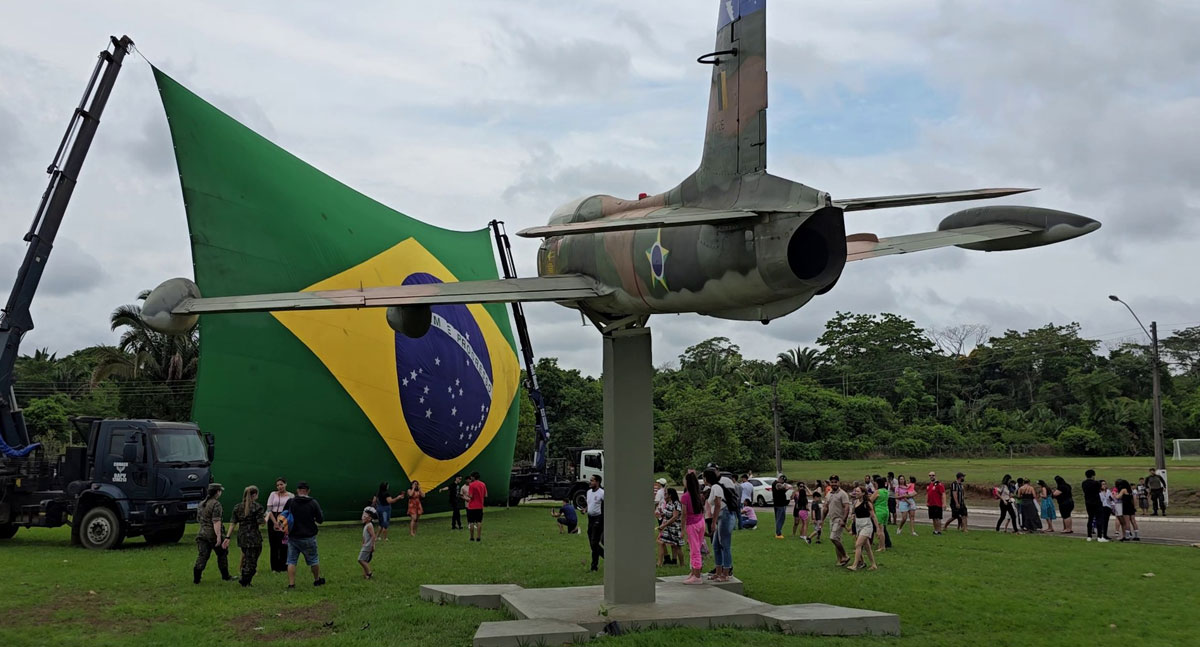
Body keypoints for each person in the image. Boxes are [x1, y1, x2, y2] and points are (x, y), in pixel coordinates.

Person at [283, 481, 325, 588]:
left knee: (291, 561)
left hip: (293, 536)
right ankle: (316, 580)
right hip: (308, 536)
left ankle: (291, 584)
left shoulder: (291, 502)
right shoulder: (313, 503)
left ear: (297, 490)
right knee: (314, 560)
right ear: (308, 491)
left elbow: (284, 515)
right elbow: (320, 520)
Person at [194, 482, 233, 584]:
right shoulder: (216, 504)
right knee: (222, 554)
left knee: (203, 555)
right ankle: (225, 576)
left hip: (202, 533)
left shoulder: (201, 503)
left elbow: (199, 519)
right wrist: (219, 536)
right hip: (212, 534)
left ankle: (196, 578)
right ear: (217, 492)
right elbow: (216, 521)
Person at [704, 467, 738, 582]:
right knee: (716, 545)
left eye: (704, 477)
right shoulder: (713, 487)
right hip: (720, 516)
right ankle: (718, 572)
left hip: (725, 515)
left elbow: (718, 504)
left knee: (725, 545)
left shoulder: (716, 487)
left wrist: (713, 522)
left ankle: (726, 573)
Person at [230, 485, 264, 587]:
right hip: (254, 537)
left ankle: (245, 576)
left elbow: (233, 523)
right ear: (255, 495)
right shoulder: (257, 507)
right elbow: (261, 523)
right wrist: (267, 516)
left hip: (242, 537)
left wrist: (227, 537)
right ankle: (245, 580)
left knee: (246, 557)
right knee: (252, 561)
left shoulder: (237, 507)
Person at [681, 472, 706, 584]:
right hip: (700, 522)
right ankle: (694, 572)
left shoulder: (685, 496)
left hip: (692, 524)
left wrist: (682, 529)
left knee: (694, 549)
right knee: (696, 548)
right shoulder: (698, 495)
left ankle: (697, 576)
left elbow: (684, 514)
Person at [265, 477, 293, 573]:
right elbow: (269, 509)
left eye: (281, 484)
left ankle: (283, 566)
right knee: (273, 544)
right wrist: (275, 523)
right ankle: (274, 567)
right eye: (277, 485)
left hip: (284, 520)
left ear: (285, 484)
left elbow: (291, 510)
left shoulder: (291, 496)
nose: (279, 487)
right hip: (273, 519)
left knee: (284, 544)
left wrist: (282, 522)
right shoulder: (273, 494)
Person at [846, 486, 878, 572]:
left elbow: (873, 516)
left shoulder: (867, 503)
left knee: (858, 544)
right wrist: (852, 522)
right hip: (858, 525)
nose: (856, 493)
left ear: (863, 493)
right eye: (855, 491)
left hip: (866, 525)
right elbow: (855, 514)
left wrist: (877, 528)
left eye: (858, 491)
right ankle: (873, 565)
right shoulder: (856, 502)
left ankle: (855, 565)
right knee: (867, 547)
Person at [824, 475, 852, 566]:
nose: (834, 484)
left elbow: (847, 507)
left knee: (833, 538)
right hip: (832, 519)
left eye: (835, 482)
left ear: (838, 483)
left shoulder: (842, 494)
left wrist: (844, 520)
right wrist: (821, 520)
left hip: (839, 519)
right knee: (837, 539)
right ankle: (840, 560)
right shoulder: (829, 494)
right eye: (832, 482)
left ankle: (845, 556)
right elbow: (825, 508)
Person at [657, 488, 684, 566]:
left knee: (677, 546)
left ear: (670, 495)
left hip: (675, 528)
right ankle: (662, 562)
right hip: (668, 528)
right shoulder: (669, 503)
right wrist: (661, 513)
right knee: (661, 542)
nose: (664, 495)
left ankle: (682, 564)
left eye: (666, 494)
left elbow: (675, 517)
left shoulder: (676, 504)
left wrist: (663, 525)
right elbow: (668, 514)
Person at [585, 474, 604, 571]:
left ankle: (604, 558)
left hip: (598, 519)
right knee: (593, 544)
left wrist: (601, 520)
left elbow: (605, 507)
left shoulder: (602, 493)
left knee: (594, 542)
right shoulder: (588, 492)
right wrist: (585, 509)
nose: (590, 482)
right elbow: (590, 504)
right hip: (590, 518)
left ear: (597, 482)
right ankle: (594, 567)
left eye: (592, 480)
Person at [1082, 469, 1105, 542]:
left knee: (1090, 518)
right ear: (1093, 475)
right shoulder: (1096, 483)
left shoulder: (1084, 483)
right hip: (1096, 502)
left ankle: (1089, 536)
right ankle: (1099, 536)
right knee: (1099, 519)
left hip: (1088, 502)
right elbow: (1099, 490)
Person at [870, 476, 891, 551]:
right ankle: (881, 544)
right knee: (883, 529)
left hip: (879, 511)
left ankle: (882, 547)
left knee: (879, 530)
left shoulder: (877, 491)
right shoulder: (886, 491)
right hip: (885, 510)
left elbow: (870, 500)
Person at [466, 471, 487, 542]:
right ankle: (478, 537)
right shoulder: (483, 484)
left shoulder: (471, 485)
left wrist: (466, 495)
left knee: (471, 522)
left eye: (471, 477)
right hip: (480, 506)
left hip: (472, 506)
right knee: (479, 522)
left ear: (473, 477)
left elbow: (471, 496)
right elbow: (485, 495)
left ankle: (472, 537)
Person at [359, 506, 377, 579]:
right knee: (365, 560)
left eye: (364, 516)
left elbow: (373, 536)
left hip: (368, 546)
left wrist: (373, 545)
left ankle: (369, 573)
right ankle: (366, 574)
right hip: (365, 545)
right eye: (362, 515)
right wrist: (363, 542)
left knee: (361, 560)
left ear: (369, 518)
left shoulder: (369, 526)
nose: (362, 517)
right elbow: (365, 536)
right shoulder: (366, 525)